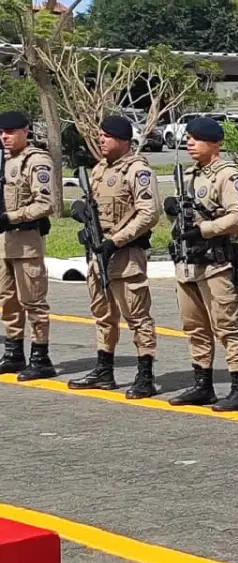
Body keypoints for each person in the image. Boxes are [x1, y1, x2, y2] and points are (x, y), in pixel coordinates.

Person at [164, 117, 238, 411]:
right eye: (188, 138)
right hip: (188, 263)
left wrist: (204, 230)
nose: (190, 143)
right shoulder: (190, 175)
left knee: (227, 326)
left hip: (216, 263)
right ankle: (202, 384)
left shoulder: (227, 176)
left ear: (214, 144)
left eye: (197, 138)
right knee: (195, 326)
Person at [68, 115, 160, 399]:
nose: (101, 140)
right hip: (98, 255)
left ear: (122, 140)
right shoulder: (98, 170)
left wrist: (115, 240)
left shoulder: (137, 170)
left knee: (137, 316)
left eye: (106, 136)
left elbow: (148, 213)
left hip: (124, 255)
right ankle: (104, 369)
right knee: (103, 315)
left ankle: (145, 374)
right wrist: (81, 211)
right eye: (100, 136)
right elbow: (95, 206)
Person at [0, 110, 55, 381]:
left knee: (33, 301)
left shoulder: (36, 161)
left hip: (26, 241)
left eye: (10, 132)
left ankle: (40, 356)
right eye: (2, 133)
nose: (5, 137)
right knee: (8, 300)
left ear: (25, 131)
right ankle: (13, 352)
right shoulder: (4, 160)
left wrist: (11, 218)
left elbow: (45, 204)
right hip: (5, 243)